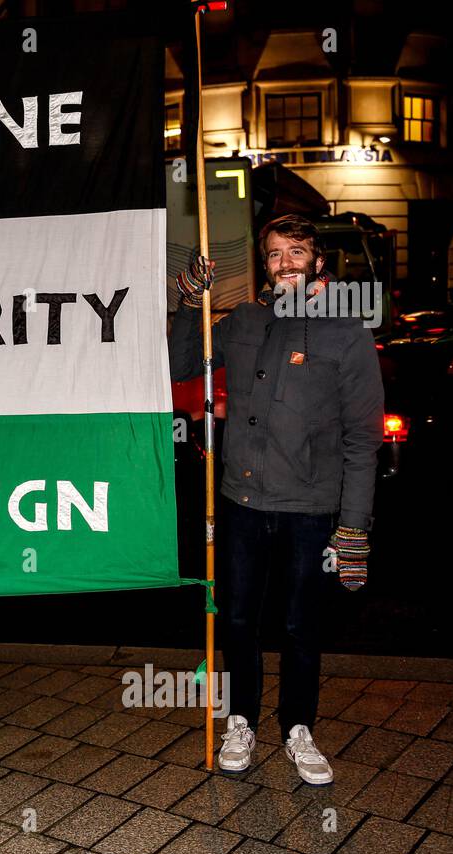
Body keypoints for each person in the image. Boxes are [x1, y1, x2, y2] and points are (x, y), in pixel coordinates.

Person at [169, 214, 384, 785]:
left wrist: (354, 526)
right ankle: (241, 719)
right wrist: (193, 303)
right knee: (238, 619)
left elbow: (364, 438)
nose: (284, 263)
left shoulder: (346, 332)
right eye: (273, 254)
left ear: (317, 260)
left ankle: (298, 729)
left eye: (296, 252)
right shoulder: (243, 318)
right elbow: (182, 365)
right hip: (241, 500)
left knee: (299, 626)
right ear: (263, 264)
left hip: (311, 510)